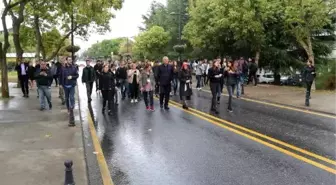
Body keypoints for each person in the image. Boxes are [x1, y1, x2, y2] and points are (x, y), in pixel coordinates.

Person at [59, 57, 78, 126]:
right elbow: (60, 76)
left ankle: (71, 108)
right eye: (69, 60)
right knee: (67, 98)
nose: (70, 61)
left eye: (71, 60)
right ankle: (68, 109)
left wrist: (72, 77)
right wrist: (60, 84)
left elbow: (77, 75)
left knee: (72, 97)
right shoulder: (63, 68)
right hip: (65, 85)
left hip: (72, 85)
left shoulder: (74, 68)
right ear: (66, 61)